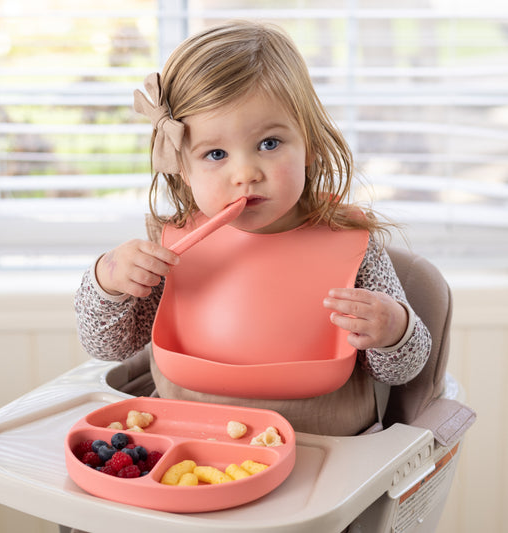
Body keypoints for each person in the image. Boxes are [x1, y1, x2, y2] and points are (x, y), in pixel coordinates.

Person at [74, 20, 431, 436]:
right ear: (182, 168)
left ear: (310, 145)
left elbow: (401, 371)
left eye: (269, 144)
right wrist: (109, 279)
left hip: (321, 460)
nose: (245, 174)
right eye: (216, 153)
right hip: (187, 452)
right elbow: (108, 347)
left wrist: (393, 331)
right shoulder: (173, 248)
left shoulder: (352, 247)